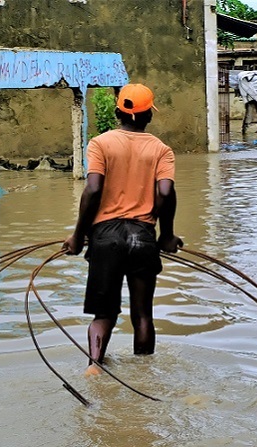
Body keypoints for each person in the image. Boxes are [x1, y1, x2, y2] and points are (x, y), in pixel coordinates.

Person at [63, 83, 183, 375]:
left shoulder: (100, 144)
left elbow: (92, 190)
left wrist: (78, 236)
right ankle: (144, 375)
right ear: (148, 117)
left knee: (104, 314)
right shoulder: (161, 150)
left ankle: (94, 367)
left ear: (118, 111)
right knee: (143, 315)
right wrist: (166, 236)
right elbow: (166, 193)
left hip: (105, 238)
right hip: (142, 238)